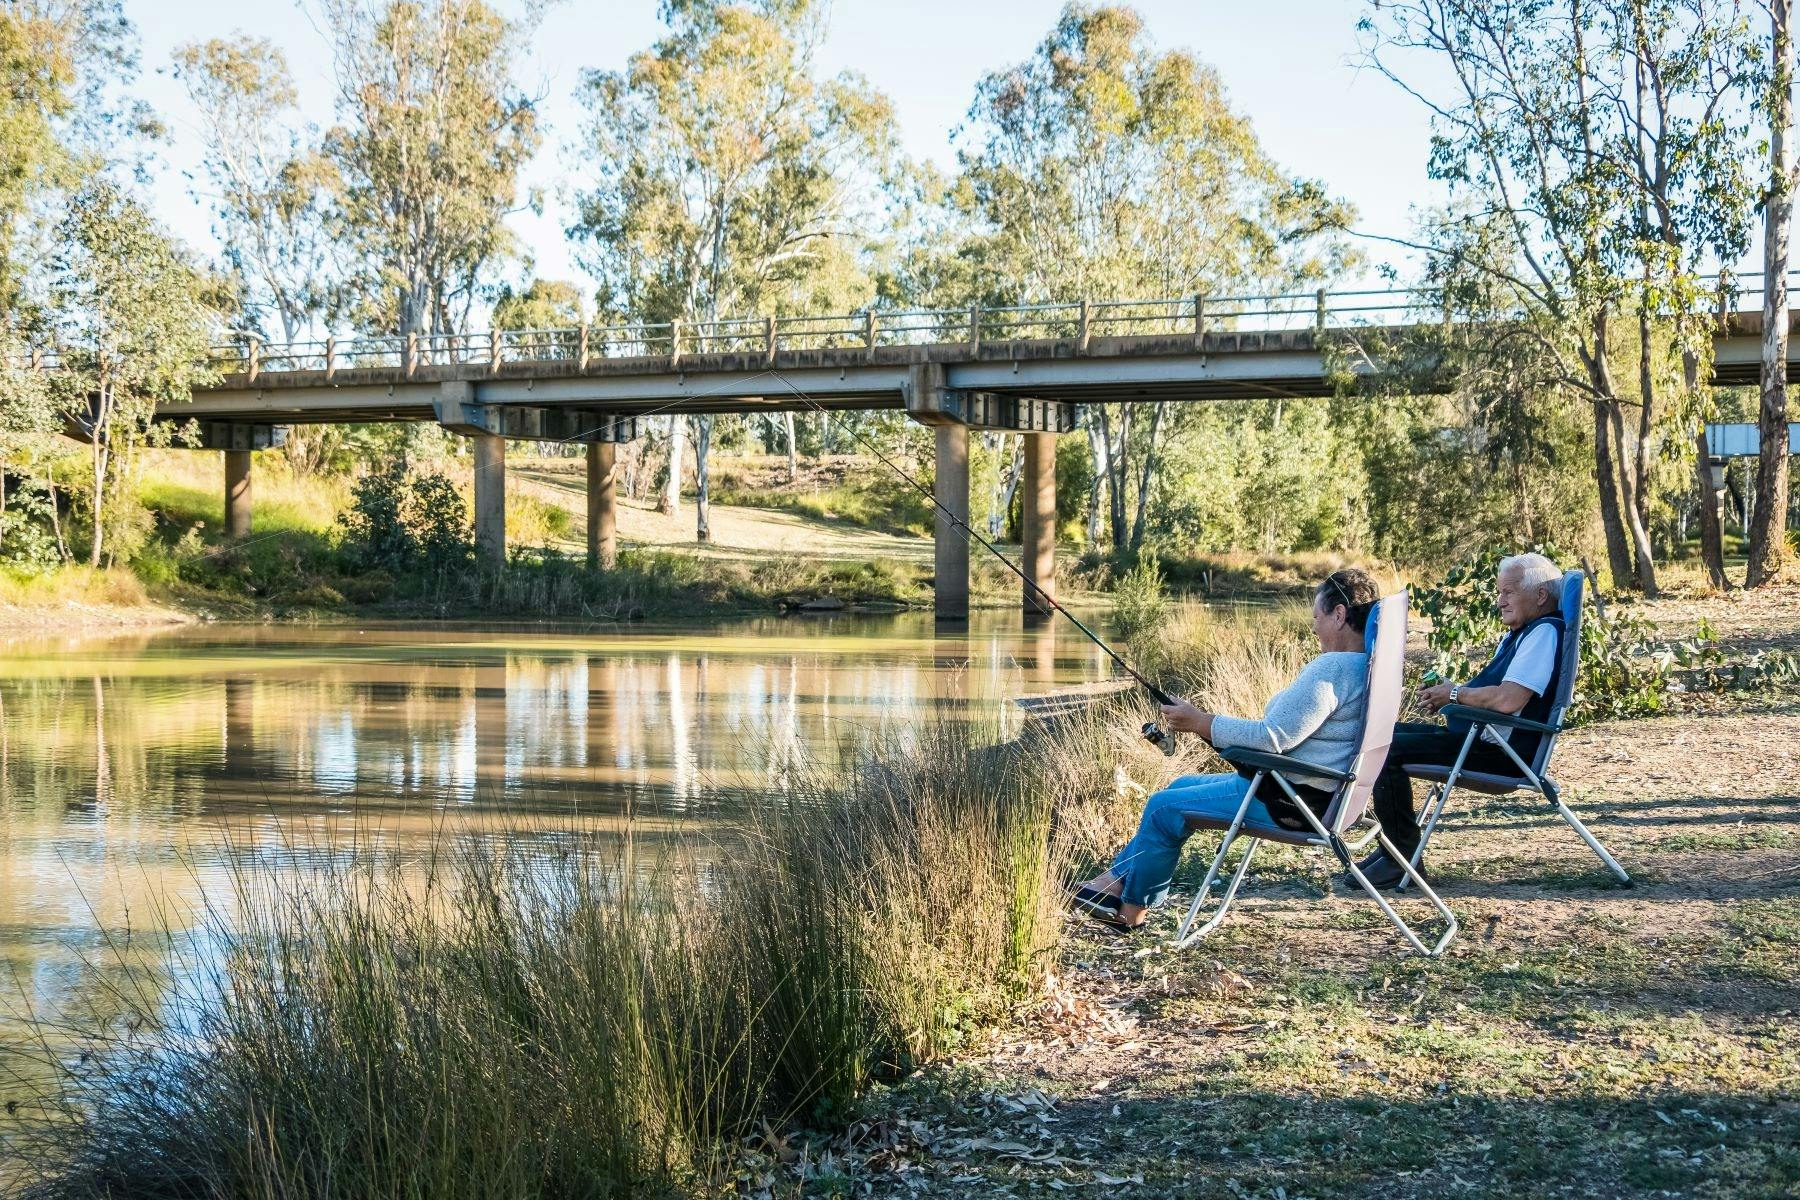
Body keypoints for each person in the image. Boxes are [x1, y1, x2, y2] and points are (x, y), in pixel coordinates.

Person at [1068, 568, 1382, 931]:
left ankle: (1130, 912)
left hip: (1292, 802)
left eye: (1317, 617)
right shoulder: (1368, 668)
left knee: (1161, 808)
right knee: (1178, 787)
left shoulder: (1332, 669)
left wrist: (1202, 723)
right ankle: (1111, 884)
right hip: (1321, 794)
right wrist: (1204, 724)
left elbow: (1273, 738)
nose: (1314, 627)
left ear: (1339, 615)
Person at [1357, 552, 1567, 889]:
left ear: (1540, 595)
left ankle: (1401, 862)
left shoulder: (1544, 633)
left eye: (1508, 592)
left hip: (1503, 755)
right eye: (1499, 593)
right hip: (1485, 741)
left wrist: (1455, 696)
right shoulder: (1523, 633)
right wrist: (1446, 694)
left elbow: (1509, 699)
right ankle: (1393, 853)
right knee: (1382, 734)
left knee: (1386, 750)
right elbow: (1495, 693)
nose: (1500, 602)